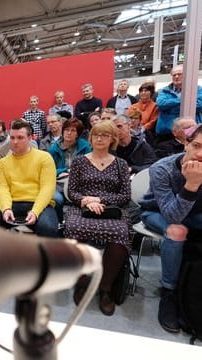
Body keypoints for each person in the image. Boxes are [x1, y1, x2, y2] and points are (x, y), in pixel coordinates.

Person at [139, 124, 202, 333]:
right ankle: (169, 293)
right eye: (197, 146)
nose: (200, 154)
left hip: (194, 215)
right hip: (156, 212)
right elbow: (173, 216)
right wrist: (192, 185)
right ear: (185, 144)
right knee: (177, 231)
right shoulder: (162, 169)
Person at [64, 120, 131, 316]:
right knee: (72, 230)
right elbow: (72, 191)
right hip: (83, 208)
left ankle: (106, 287)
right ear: (90, 138)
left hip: (112, 210)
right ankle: (82, 281)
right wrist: (86, 200)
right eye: (96, 135)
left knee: (120, 233)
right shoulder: (79, 161)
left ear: (112, 139)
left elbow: (125, 196)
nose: (99, 138)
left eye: (105, 135)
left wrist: (100, 200)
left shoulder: (121, 164)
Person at [0, 120, 58, 237]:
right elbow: (2, 188)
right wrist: (6, 209)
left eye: (20, 137)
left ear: (30, 138)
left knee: (48, 228)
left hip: (38, 203)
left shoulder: (44, 158)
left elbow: (47, 188)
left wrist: (35, 211)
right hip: (12, 203)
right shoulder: (3, 163)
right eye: (12, 138)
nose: (15, 142)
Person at [156, 64, 202, 138]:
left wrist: (170, 108)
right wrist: (182, 100)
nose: (176, 77)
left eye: (179, 74)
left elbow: (199, 105)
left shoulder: (198, 89)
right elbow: (161, 104)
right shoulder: (164, 90)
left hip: (191, 133)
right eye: (174, 75)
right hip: (167, 133)